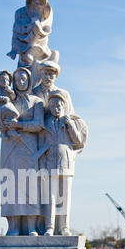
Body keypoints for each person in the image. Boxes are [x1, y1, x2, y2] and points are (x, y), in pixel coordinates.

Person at [0, 67, 44, 236]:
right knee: (10, 186)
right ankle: (13, 227)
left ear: (29, 80)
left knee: (30, 186)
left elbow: (39, 124)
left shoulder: (36, 102)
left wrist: (19, 125)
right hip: (10, 146)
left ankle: (31, 226)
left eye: (24, 78)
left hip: (29, 146)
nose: (21, 82)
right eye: (18, 79)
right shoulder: (7, 101)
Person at [39, 92, 86, 236]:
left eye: (58, 106)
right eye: (52, 106)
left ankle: (64, 226)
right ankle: (50, 226)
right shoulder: (45, 122)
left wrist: (70, 125)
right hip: (49, 161)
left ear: (64, 106)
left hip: (66, 161)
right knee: (50, 197)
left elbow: (77, 141)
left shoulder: (69, 121)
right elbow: (40, 142)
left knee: (65, 196)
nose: (56, 109)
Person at [0, 70, 20, 140]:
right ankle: (3, 132)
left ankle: (11, 129)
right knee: (0, 120)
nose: (5, 82)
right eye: (2, 80)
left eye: (7, 80)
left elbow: (13, 98)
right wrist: (2, 98)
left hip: (8, 105)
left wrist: (10, 92)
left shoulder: (9, 89)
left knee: (15, 114)